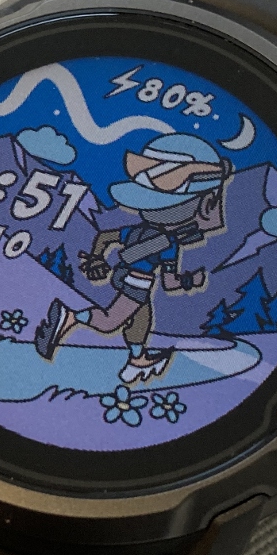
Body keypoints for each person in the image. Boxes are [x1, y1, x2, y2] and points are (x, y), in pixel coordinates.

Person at [34, 134, 232, 384]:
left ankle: (137, 359)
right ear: (202, 204)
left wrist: (97, 258)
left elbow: (106, 236)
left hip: (126, 276)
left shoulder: (140, 231)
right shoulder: (169, 244)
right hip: (136, 283)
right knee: (109, 322)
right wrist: (192, 280)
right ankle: (70, 317)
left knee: (141, 318)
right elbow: (170, 283)